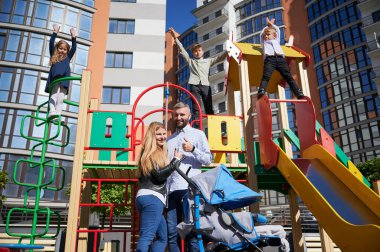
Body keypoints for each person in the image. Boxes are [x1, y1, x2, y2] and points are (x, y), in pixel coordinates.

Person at [166, 102, 213, 252]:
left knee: (192, 233)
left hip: (190, 190)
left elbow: (208, 159)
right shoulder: (170, 140)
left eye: (182, 115)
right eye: (176, 115)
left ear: (189, 116)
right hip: (172, 192)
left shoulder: (198, 134)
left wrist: (193, 149)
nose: (179, 117)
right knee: (172, 234)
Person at [136, 122, 183, 252]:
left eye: (164, 134)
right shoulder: (151, 153)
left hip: (148, 197)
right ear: (152, 136)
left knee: (163, 237)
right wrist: (175, 161)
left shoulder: (150, 153)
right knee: (147, 236)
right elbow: (159, 176)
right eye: (158, 134)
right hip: (152, 198)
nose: (162, 137)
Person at [169, 28, 228, 118]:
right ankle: (197, 126)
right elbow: (182, 50)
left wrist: (228, 51)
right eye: (195, 51)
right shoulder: (191, 61)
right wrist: (175, 38)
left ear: (202, 52)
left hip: (205, 85)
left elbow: (219, 58)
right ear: (193, 53)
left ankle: (211, 124)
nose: (197, 52)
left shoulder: (208, 61)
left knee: (209, 106)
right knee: (196, 107)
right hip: (194, 85)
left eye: (199, 50)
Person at [257, 18, 305, 99]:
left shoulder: (277, 40)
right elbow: (261, 34)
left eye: (268, 35)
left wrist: (271, 25)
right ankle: (261, 90)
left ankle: (298, 92)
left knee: (288, 76)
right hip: (269, 60)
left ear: (274, 36)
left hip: (280, 60)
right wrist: (267, 26)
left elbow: (278, 30)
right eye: (265, 35)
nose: (266, 36)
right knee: (266, 76)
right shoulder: (264, 42)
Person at [45, 24, 77, 121]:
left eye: (65, 49)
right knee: (54, 95)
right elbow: (51, 43)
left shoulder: (68, 58)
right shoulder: (54, 55)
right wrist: (55, 32)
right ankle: (52, 112)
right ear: (57, 49)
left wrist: (73, 36)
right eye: (60, 48)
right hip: (55, 79)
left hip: (64, 80)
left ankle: (58, 115)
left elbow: (74, 48)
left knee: (60, 98)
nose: (62, 51)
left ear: (67, 51)